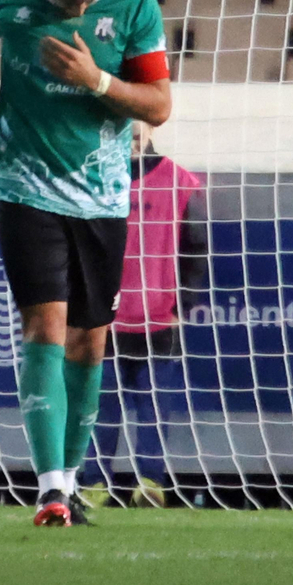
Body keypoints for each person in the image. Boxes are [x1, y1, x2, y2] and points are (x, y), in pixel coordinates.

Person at [0, 0, 172, 526]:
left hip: (102, 197)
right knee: (44, 325)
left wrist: (97, 81)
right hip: (24, 187)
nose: (78, 9)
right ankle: (50, 488)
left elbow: (158, 105)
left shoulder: (133, 4)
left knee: (90, 340)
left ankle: (73, 482)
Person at [79, 122, 206, 509]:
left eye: (140, 119)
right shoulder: (91, 179)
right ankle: (94, 484)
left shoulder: (179, 182)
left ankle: (149, 484)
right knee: (100, 408)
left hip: (158, 318)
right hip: (104, 317)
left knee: (153, 409)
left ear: (153, 124)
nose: (133, 128)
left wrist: (181, 306)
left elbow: (195, 250)